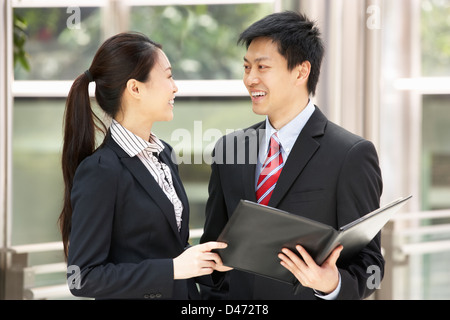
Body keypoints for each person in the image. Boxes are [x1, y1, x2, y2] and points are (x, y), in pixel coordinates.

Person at [200, 11, 384, 300]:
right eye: (247, 67)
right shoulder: (229, 149)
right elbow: (213, 248)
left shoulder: (350, 155)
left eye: (262, 67)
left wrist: (331, 284)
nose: (250, 79)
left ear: (301, 71)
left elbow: (372, 267)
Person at [58, 32, 227, 300]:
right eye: (169, 76)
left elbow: (168, 247)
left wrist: (208, 261)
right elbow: (83, 278)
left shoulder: (164, 154)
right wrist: (173, 269)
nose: (175, 87)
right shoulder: (101, 170)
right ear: (135, 88)